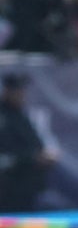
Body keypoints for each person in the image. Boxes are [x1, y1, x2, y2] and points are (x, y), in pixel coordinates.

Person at [0, 72, 56, 213]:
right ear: (7, 91)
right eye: (17, 90)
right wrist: (32, 158)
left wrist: (42, 154)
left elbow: (34, 142)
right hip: (9, 187)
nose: (22, 94)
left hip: (28, 186)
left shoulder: (19, 114)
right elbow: (6, 155)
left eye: (22, 90)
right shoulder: (3, 117)